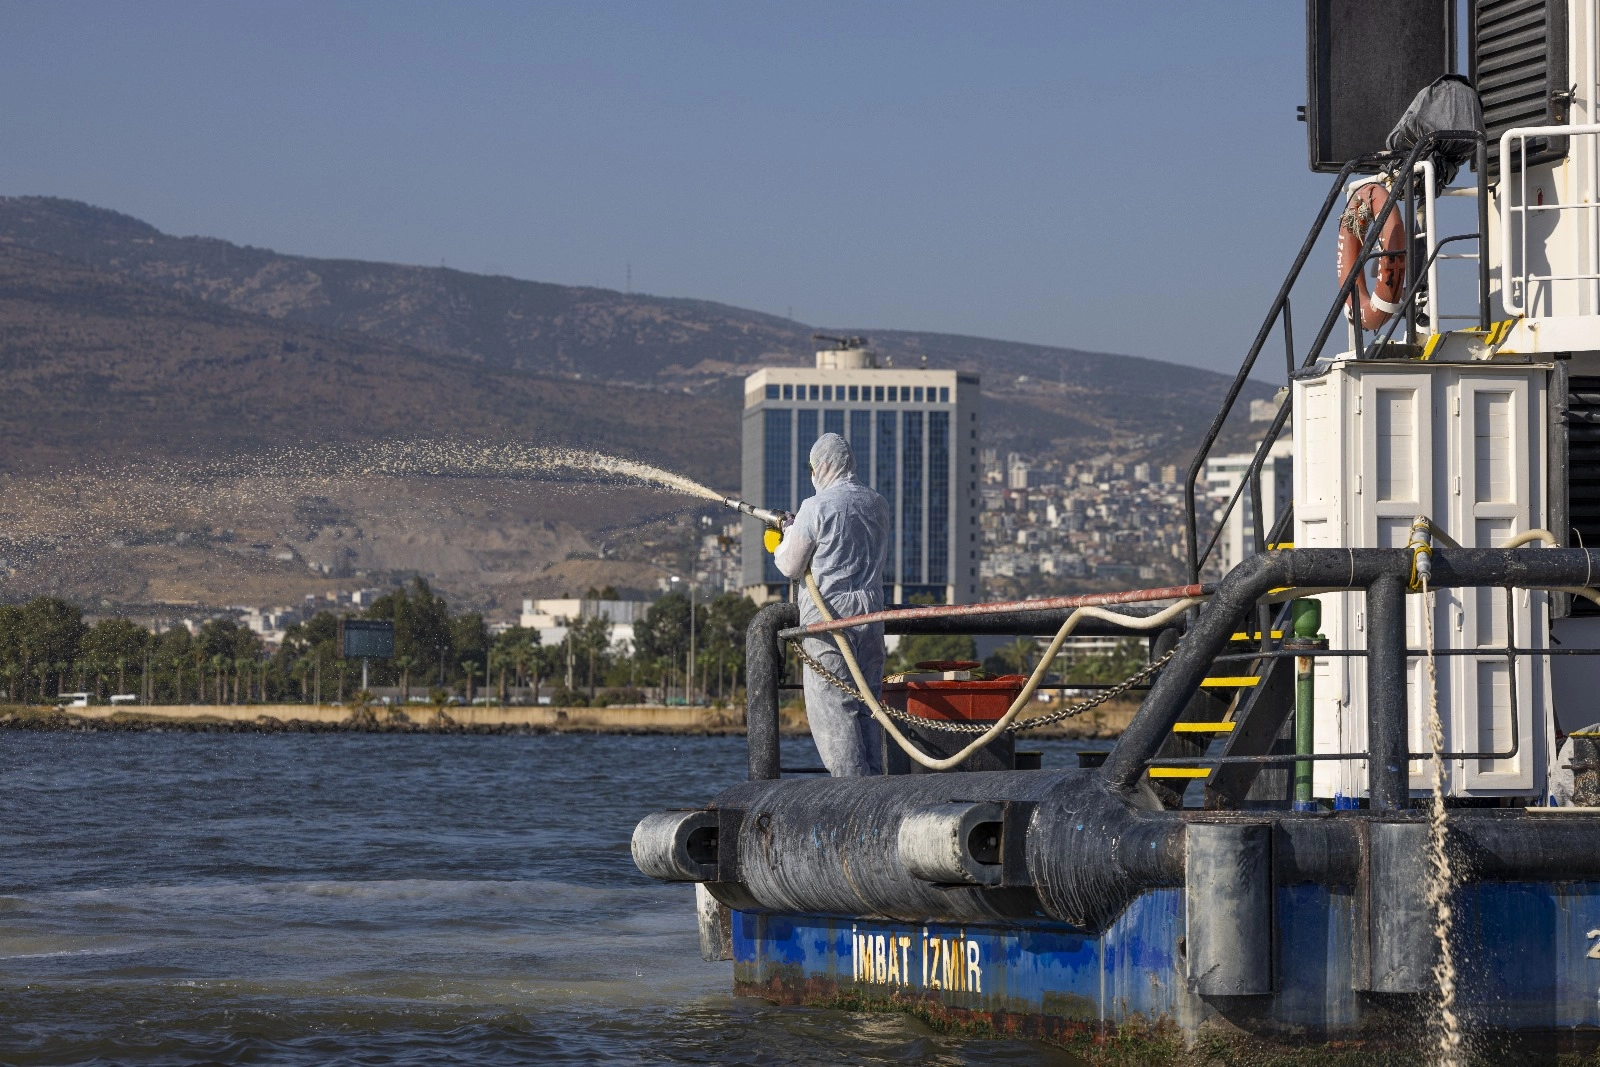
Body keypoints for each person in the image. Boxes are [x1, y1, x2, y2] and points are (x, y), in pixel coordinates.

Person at [773, 433, 891, 776]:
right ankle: (877, 785)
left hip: (829, 616)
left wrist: (781, 540)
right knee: (870, 703)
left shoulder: (815, 507)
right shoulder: (877, 503)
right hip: (871, 612)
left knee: (834, 708)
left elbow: (792, 566)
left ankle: (851, 792)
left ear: (821, 466)